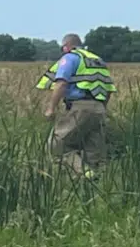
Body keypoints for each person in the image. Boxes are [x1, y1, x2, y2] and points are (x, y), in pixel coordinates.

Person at [34, 33, 117, 177]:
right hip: (99, 108)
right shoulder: (98, 60)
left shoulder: (70, 57)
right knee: (94, 151)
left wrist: (51, 109)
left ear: (66, 46)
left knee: (58, 145)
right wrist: (101, 108)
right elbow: (108, 88)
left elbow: (61, 83)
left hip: (80, 107)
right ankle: (100, 182)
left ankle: (84, 174)